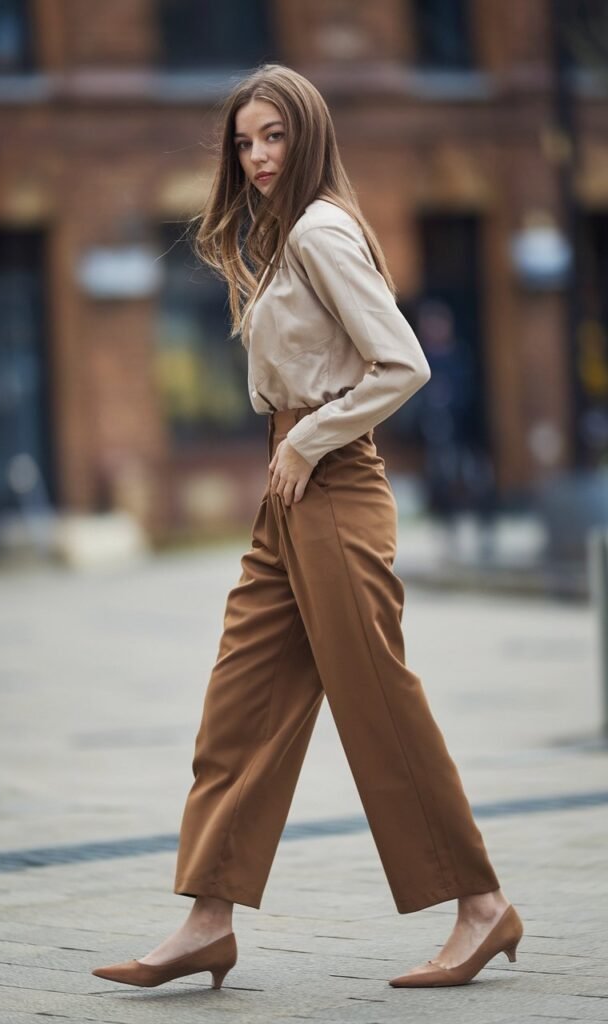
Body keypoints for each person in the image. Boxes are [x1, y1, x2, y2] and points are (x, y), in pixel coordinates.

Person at [92, 62, 523, 993]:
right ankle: (207, 920)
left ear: (310, 135)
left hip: (329, 483)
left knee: (377, 705)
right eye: (245, 142)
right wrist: (291, 447)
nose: (257, 156)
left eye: (275, 136)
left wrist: (309, 438)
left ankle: (482, 905)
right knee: (239, 702)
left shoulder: (321, 230)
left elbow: (402, 362)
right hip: (287, 491)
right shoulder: (285, 236)